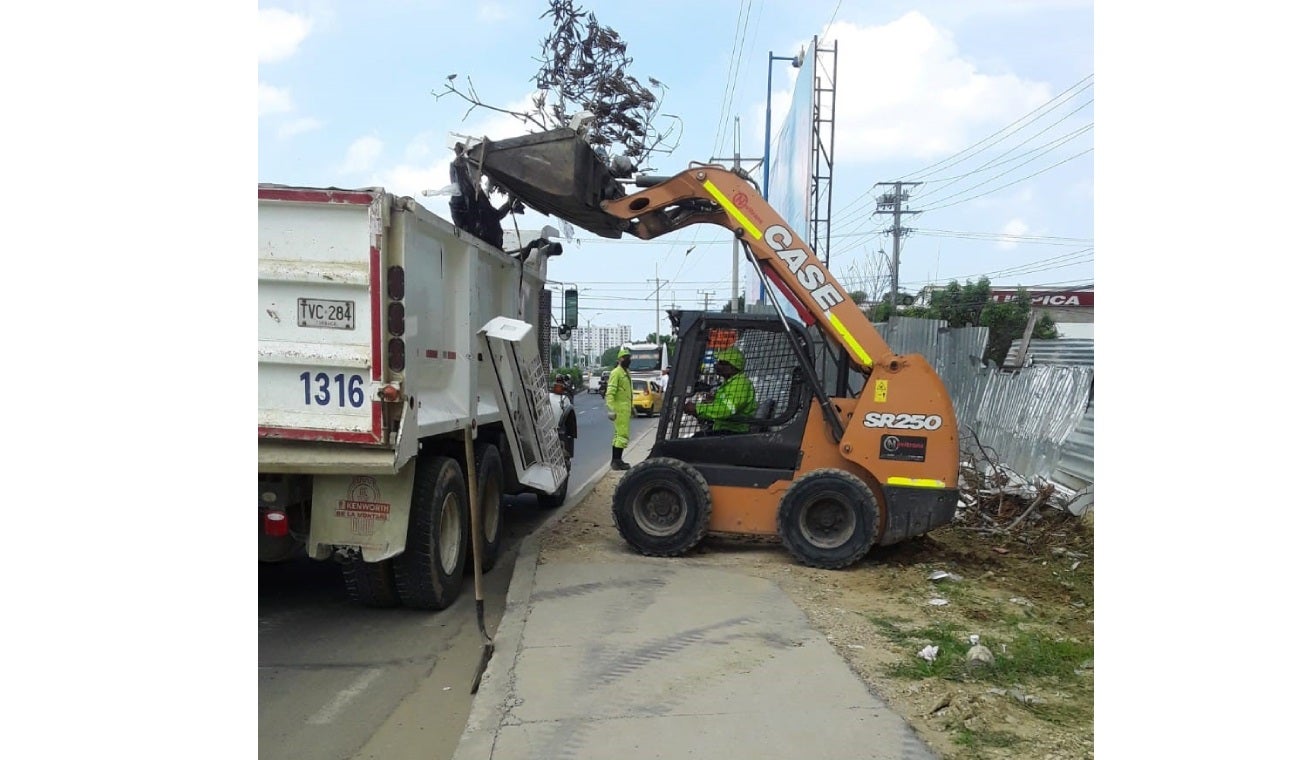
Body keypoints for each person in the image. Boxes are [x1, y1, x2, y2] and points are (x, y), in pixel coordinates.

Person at [685, 347, 756, 434]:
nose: (717, 365)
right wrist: (713, 401)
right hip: (723, 430)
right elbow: (726, 403)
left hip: (733, 433)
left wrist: (697, 408)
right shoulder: (730, 383)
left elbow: (726, 410)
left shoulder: (741, 384)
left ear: (733, 367)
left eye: (722, 363)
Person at [604, 348, 634, 470]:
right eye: (625, 357)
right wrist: (611, 409)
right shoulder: (616, 373)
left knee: (619, 435)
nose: (628, 359)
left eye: (629, 357)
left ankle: (616, 460)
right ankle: (617, 461)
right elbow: (610, 393)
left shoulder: (626, 372)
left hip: (625, 408)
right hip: (619, 410)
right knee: (622, 435)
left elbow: (628, 393)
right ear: (620, 359)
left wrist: (632, 407)